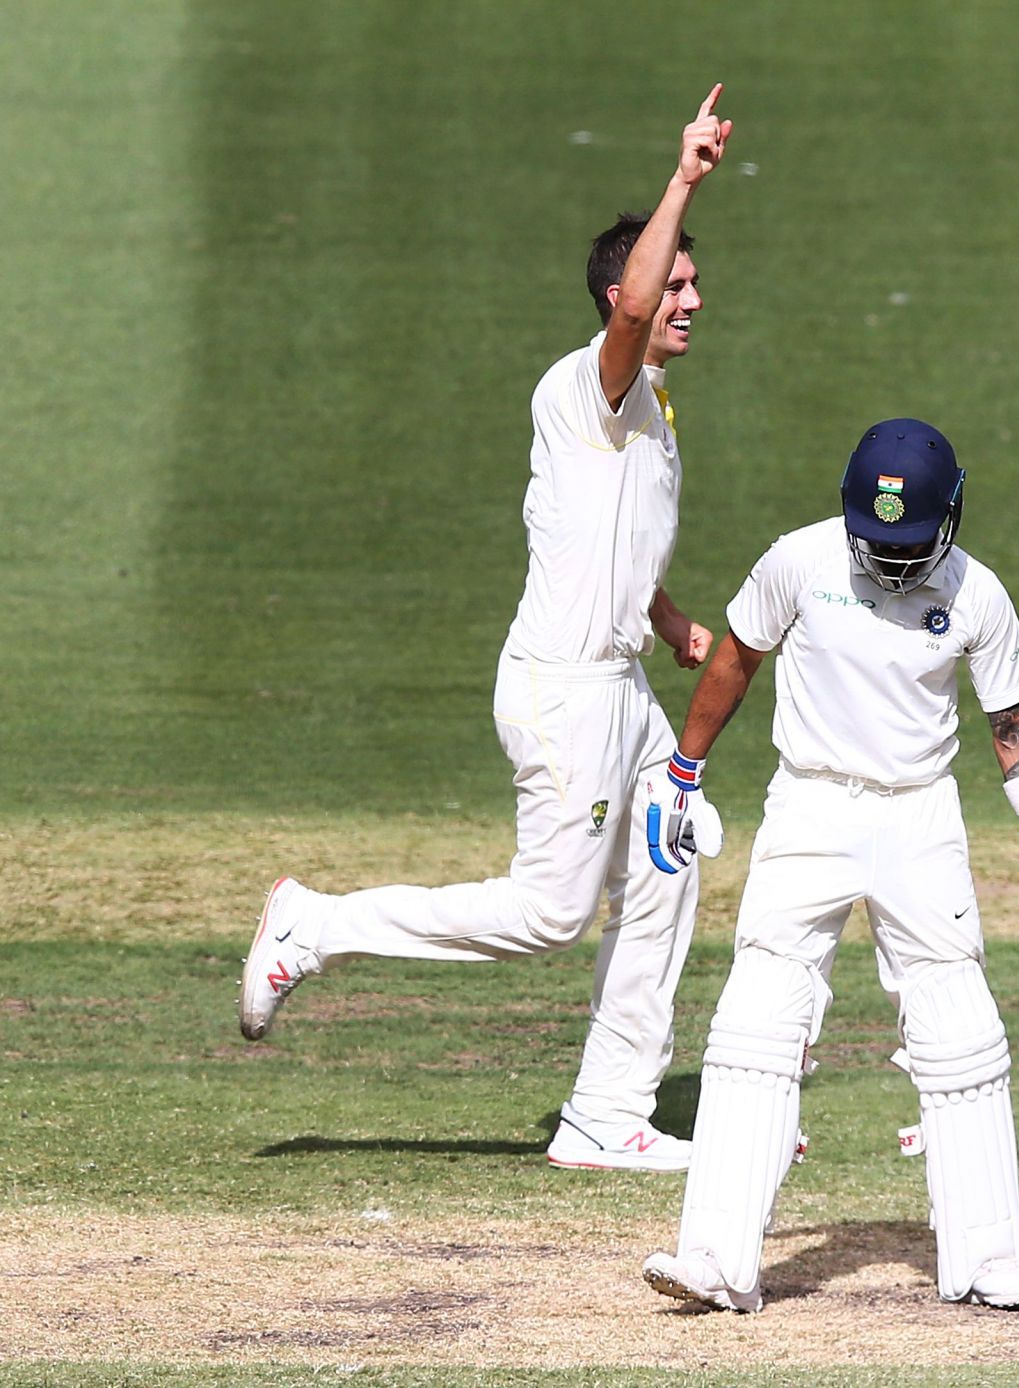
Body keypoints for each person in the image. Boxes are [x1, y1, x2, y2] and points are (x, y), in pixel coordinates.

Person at [238, 86, 736, 1175]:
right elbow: (630, 310)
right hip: (563, 692)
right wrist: (684, 176)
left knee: (671, 855)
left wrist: (667, 616)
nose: (693, 299)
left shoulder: (651, 408)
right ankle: (310, 924)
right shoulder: (592, 382)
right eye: (677, 284)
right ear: (626, 296)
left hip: (625, 692)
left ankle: (609, 1109)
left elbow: (610, 538)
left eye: (696, 282)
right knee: (553, 915)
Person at [636, 418, 1019, 1312]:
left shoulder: (979, 595)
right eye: (879, 546)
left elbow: (1014, 727)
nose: (893, 566)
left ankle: (984, 1261)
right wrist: (683, 773)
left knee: (960, 1027)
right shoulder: (799, 562)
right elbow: (735, 658)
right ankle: (717, 1261)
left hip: (919, 817)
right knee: (757, 1019)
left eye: (910, 547)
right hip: (809, 804)